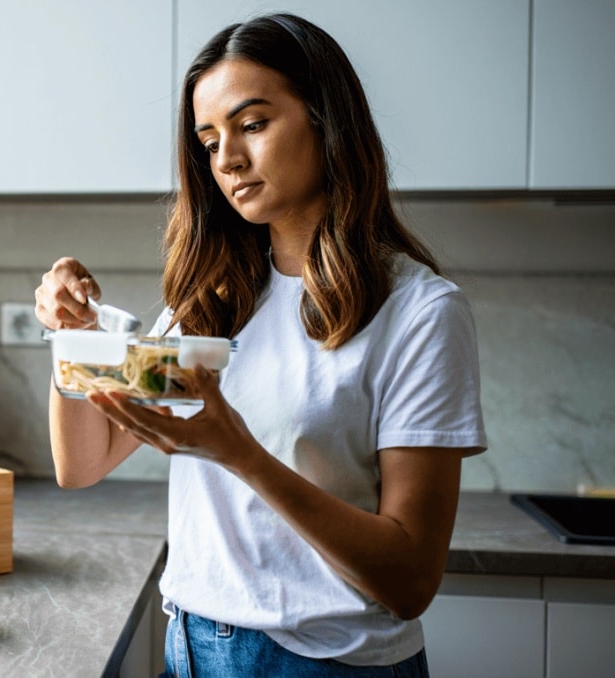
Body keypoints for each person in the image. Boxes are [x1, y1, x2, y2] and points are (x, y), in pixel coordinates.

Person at [33, 12, 487, 678]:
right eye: (209, 139)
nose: (228, 160)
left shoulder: (418, 313)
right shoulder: (212, 300)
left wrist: (240, 453)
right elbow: (83, 460)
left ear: (326, 120)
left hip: (327, 662)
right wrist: (71, 338)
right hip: (190, 648)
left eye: (252, 124)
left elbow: (411, 579)